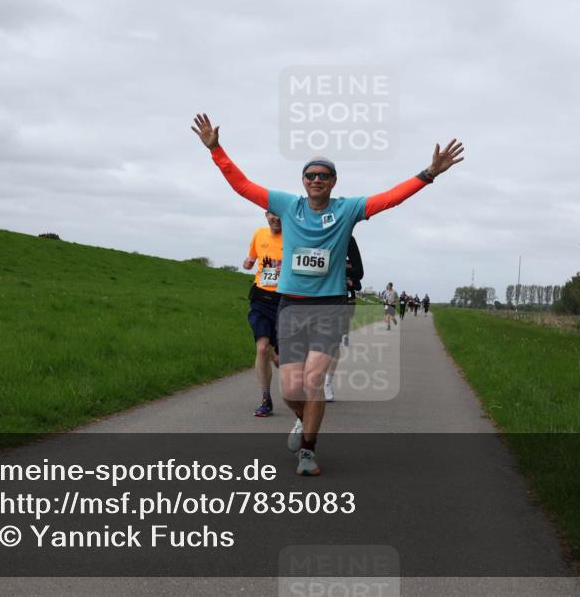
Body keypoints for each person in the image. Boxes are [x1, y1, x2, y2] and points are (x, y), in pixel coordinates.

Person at [192, 113, 464, 476]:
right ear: (303, 182)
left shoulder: (347, 209)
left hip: (328, 308)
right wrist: (216, 149)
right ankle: (304, 421)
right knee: (291, 389)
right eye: (310, 175)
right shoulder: (288, 206)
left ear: (334, 182)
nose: (316, 180)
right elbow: (242, 186)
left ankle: (308, 449)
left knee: (313, 380)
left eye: (324, 175)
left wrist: (427, 174)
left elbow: (390, 199)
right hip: (290, 307)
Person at [243, 211, 283, 417]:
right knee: (262, 348)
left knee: (279, 357)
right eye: (272, 215)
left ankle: (287, 371)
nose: (276, 219)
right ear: (266, 215)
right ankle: (266, 399)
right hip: (260, 299)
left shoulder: (294, 236)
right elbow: (251, 258)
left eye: (280, 215)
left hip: (285, 303)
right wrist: (248, 262)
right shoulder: (259, 234)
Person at [324, 235, 364, 402]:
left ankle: (327, 383)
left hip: (341, 299)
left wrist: (341, 273)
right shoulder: (310, 230)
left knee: (333, 344)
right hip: (311, 295)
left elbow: (359, 274)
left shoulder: (347, 239)